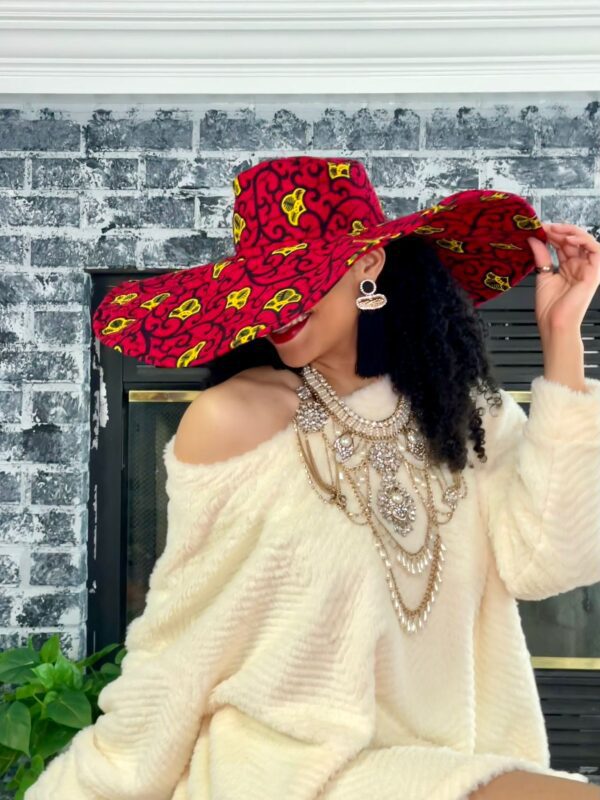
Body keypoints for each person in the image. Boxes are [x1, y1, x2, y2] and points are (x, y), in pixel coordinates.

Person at [25, 156, 600, 799]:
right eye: (264, 284)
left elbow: (549, 562)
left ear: (369, 262)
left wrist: (562, 340)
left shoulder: (463, 413)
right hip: (286, 773)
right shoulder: (236, 421)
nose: (279, 306)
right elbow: (182, 639)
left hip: (444, 761)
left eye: (300, 276)